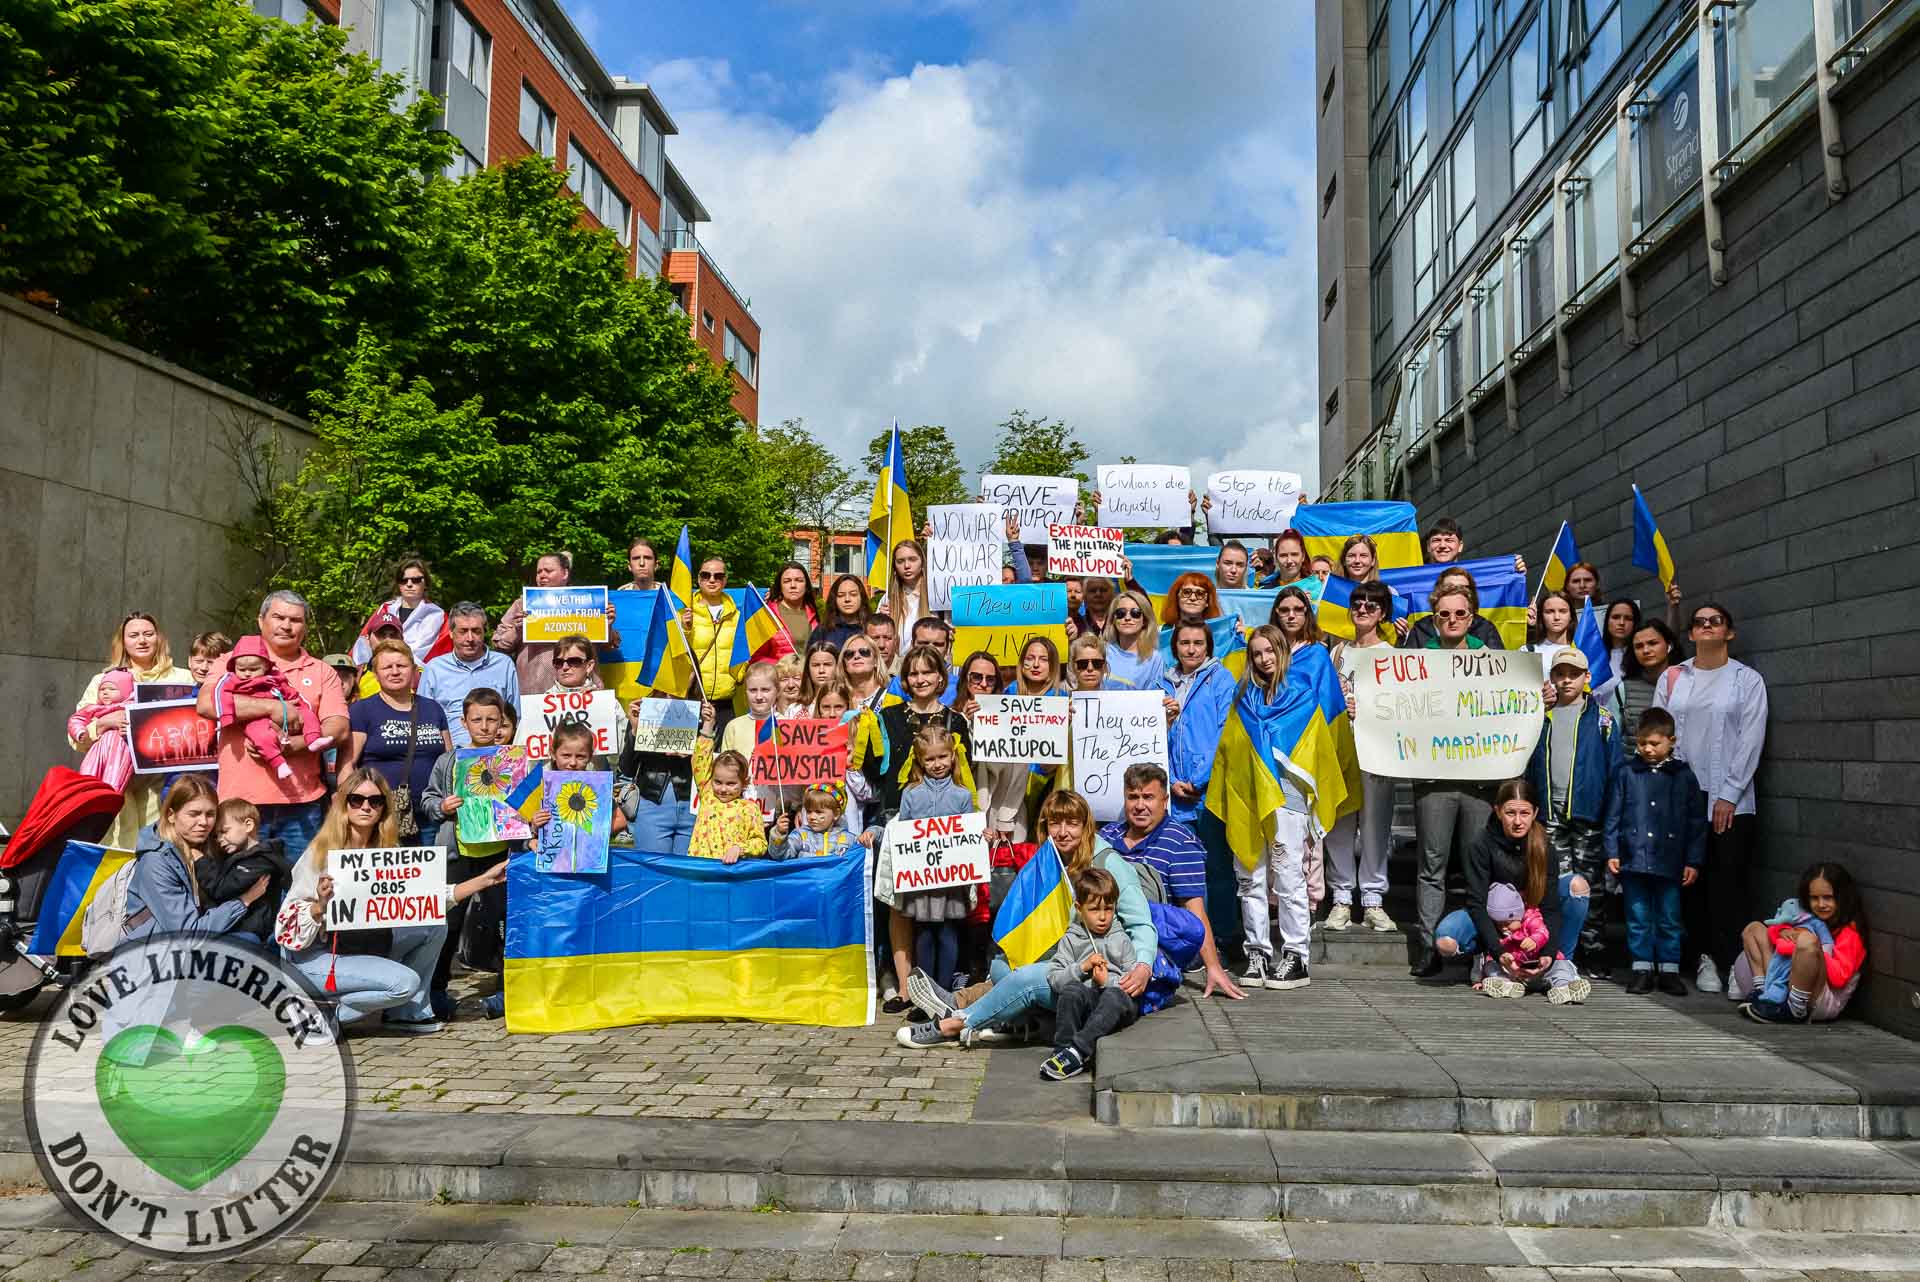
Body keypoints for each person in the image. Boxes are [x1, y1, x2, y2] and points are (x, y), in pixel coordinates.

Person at [897, 789, 1157, 1049]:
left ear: (1086, 826)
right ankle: (1004, 1020)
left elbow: (1141, 923)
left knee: (1025, 979)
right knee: (1001, 967)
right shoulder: (1050, 859)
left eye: (1072, 823)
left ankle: (954, 1023)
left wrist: (1143, 966)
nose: (1063, 832)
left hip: (1096, 973)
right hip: (1063, 960)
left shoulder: (1107, 862)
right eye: (1055, 823)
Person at [275, 768, 504, 1035]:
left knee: (434, 926)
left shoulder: (388, 852)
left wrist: (485, 880)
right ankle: (325, 1013)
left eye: (375, 801)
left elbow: (426, 900)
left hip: (362, 947)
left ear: (384, 807)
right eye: (356, 800)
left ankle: (407, 1013)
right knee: (404, 983)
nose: (365, 807)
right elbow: (284, 928)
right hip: (314, 958)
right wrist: (319, 906)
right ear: (343, 804)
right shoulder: (320, 853)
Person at [1654, 602, 1768, 995]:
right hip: (1682, 796)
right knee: (1691, 884)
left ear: (1728, 632)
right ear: (1690, 634)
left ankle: (1733, 963)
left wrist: (1730, 794)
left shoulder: (1746, 680)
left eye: (1715, 621)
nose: (1706, 627)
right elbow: (1658, 732)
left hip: (1729, 799)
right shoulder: (1673, 677)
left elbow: (1752, 739)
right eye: (1699, 622)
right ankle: (1702, 958)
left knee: (1728, 883)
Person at [197, 591, 350, 855]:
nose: (287, 625)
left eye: (295, 620)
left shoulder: (321, 670)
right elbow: (207, 704)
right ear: (261, 621)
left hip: (302, 804)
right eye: (278, 617)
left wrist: (295, 745)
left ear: (305, 627)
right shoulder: (232, 662)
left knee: (297, 889)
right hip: (239, 805)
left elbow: (339, 727)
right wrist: (274, 707)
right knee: (240, 889)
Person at [1408, 584, 1502, 975]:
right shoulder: (1415, 660)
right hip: (1434, 779)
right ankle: (1430, 947)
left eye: (1459, 613)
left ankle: (1480, 946)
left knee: (1478, 865)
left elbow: (1510, 705)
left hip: (1479, 780)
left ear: (1472, 615)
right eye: (1443, 614)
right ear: (1433, 618)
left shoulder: (1492, 658)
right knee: (1432, 865)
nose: (1451, 621)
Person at [1432, 779, 1592, 1004]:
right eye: (1510, 813)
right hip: (1494, 920)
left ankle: (1560, 965)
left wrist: (1548, 951)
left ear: (1535, 812)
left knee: (1577, 886)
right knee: (1445, 942)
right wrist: (1499, 951)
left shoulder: (1544, 845)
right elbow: (1476, 904)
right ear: (1497, 811)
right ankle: (1489, 962)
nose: (1518, 821)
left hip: (1534, 922)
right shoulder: (1481, 844)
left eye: (1525, 813)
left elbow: (1551, 907)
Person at [1101, 764, 1244, 999]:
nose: (1139, 806)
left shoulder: (1180, 843)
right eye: (1132, 797)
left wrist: (1214, 967)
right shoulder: (1106, 836)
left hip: (1152, 939)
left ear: (1164, 801)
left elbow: (1195, 911)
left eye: (1148, 797)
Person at [1231, 625, 1316, 991]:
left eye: (1269, 651)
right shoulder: (1244, 696)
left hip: (1287, 798)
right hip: (1249, 797)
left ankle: (1296, 955)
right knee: (1250, 877)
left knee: (1287, 877)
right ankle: (1258, 952)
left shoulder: (1300, 693)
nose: (1263, 659)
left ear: (1282, 651)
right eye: (1256, 653)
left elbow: (1307, 747)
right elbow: (1233, 747)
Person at [421, 688, 515, 1014]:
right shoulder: (448, 761)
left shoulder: (512, 760)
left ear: (502, 722)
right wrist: (442, 806)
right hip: (457, 851)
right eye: (477, 719)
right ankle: (435, 991)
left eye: (492, 719)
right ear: (464, 721)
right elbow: (427, 800)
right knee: (449, 921)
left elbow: (529, 802)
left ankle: (507, 989)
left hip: (501, 852)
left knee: (503, 921)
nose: (485, 726)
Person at [1528, 646, 1616, 979]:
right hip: (1550, 814)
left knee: (1591, 885)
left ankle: (1593, 950)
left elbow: (1615, 770)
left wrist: (1609, 816)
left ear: (1587, 678)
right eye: (1560, 674)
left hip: (1588, 814)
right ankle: (1559, 949)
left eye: (1573, 675)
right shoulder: (1540, 716)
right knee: (1556, 884)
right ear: (1551, 678)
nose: (1566, 681)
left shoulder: (1603, 719)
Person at [71, 613, 196, 848]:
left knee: (159, 853)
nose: (142, 641)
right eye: (134, 635)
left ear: (159, 638)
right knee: (116, 854)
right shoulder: (103, 680)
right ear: (123, 642)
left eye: (148, 634)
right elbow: (76, 736)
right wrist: (105, 722)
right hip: (115, 785)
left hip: (162, 785)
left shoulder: (184, 678)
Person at [1605, 707, 1705, 996]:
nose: (1647, 749)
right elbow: (1613, 814)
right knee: (1638, 915)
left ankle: (1669, 969)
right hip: (1634, 858)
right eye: (1642, 743)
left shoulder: (1683, 775)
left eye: (1654, 743)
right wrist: (1612, 851)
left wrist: (1693, 860)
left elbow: (1696, 821)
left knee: (1669, 916)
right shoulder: (1626, 772)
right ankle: (1642, 967)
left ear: (1671, 741)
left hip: (1670, 859)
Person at [1158, 620, 1242, 964]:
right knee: (1182, 872)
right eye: (1184, 642)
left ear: (1208, 646)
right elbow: (1151, 732)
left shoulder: (1221, 679)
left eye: (1197, 643)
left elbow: (1226, 731)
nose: (1191, 649)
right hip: (1174, 793)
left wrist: (1199, 779)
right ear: (1174, 646)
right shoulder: (1160, 682)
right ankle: (1191, 941)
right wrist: (1173, 779)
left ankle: (1224, 935)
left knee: (1217, 868)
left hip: (1209, 792)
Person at [1323, 580, 1397, 933]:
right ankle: (1340, 896)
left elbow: (1401, 705)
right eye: (1357, 604)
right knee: (1339, 823)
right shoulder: (1337, 652)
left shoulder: (1392, 654)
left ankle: (1372, 898)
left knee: (1375, 824)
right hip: (1341, 748)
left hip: (1378, 750)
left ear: (1382, 613)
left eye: (1371, 605)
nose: (1363, 610)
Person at [123, 775, 270, 941]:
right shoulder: (156, 862)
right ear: (171, 815)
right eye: (194, 814)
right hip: (157, 955)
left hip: (196, 943)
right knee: (248, 942)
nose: (204, 822)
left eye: (210, 814)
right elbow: (188, 933)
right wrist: (243, 902)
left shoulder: (212, 846)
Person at [895, 722, 976, 992]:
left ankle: (943, 992)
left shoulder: (962, 795)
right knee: (925, 933)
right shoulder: (911, 794)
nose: (937, 763)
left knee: (948, 932)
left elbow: (967, 835)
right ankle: (925, 993)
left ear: (952, 756)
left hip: (951, 881)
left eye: (942, 756)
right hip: (922, 879)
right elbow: (904, 833)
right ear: (920, 760)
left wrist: (981, 836)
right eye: (930, 759)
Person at [1731, 862, 1866, 1024]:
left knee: (1807, 942)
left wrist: (1813, 947)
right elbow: (1776, 936)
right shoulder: (1807, 918)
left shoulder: (1849, 934)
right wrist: (1783, 932)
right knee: (1754, 929)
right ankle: (1763, 991)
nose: (1821, 904)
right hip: (1788, 982)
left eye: (1828, 898)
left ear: (1842, 898)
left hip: (1820, 1000)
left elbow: (1839, 978)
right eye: (1814, 898)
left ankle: (1795, 1009)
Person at [342, 639, 450, 836]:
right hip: (382, 816)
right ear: (375, 674)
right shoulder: (362, 710)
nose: (395, 672)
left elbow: (449, 760)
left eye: (401, 666)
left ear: (414, 670)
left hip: (433, 814)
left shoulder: (432, 708)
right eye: (387, 667)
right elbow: (348, 765)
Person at [1040, 865, 1138, 1081]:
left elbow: (1133, 982)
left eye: (1109, 909)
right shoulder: (1071, 939)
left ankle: (1077, 1052)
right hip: (1089, 1002)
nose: (1103, 917)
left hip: (1117, 1006)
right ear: (1079, 908)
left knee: (1113, 995)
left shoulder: (1121, 939)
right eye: (1094, 910)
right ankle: (1062, 1050)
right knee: (1072, 990)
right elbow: (1055, 979)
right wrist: (1082, 968)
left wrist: (1108, 982)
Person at [493, 552, 618, 695]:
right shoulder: (523, 605)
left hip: (583, 693)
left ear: (565, 573)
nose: (542, 575)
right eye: (539, 571)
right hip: (535, 692)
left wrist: (607, 625)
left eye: (548, 571)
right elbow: (500, 644)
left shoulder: (589, 601)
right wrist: (517, 629)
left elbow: (610, 646)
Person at [419, 603, 521, 749]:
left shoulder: (504, 665)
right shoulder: (434, 669)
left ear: (484, 632)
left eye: (476, 631)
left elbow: (515, 716)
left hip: (496, 754)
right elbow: (425, 721)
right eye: (463, 631)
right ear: (451, 633)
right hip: (450, 754)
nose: (470, 638)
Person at [196, 799, 291, 943]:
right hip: (232, 928)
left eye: (224, 831)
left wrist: (200, 861)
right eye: (216, 836)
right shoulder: (234, 857)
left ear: (248, 825)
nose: (220, 839)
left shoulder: (261, 861)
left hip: (249, 933)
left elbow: (222, 889)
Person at [689, 702, 766, 863]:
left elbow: (760, 843)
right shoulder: (708, 794)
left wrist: (740, 848)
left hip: (730, 874)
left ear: (744, 783)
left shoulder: (749, 809)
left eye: (731, 784)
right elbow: (700, 760)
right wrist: (708, 726)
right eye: (718, 782)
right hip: (700, 869)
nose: (723, 789)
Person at [350, 559, 449, 667]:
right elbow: (363, 643)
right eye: (403, 580)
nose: (409, 584)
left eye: (416, 580)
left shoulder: (438, 616)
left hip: (421, 677)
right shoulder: (385, 609)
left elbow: (444, 652)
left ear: (426, 583)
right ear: (398, 584)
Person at [1611, 619, 1685, 753]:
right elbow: (1611, 739)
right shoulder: (1624, 689)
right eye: (1638, 646)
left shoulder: (1689, 683)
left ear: (1669, 645)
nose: (1646, 650)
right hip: (1635, 770)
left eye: (1652, 643)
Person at [682, 556, 742, 713]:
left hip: (726, 702)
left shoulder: (738, 617)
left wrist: (739, 677)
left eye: (718, 576)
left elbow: (744, 654)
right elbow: (677, 655)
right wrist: (685, 629)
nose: (712, 580)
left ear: (725, 580)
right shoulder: (684, 614)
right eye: (706, 575)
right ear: (699, 579)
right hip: (692, 699)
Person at [1398, 570, 1507, 649]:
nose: (1452, 620)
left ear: (1470, 619)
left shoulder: (1485, 628)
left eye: (1460, 613)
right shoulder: (1420, 629)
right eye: (1449, 587)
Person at [68, 669, 137, 790]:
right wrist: (80, 732)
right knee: (88, 772)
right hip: (98, 747)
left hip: (121, 746)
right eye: (102, 689)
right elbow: (77, 718)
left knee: (114, 776)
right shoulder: (95, 708)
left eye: (112, 689)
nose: (105, 692)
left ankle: (109, 796)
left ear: (126, 692)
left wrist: (132, 729)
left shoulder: (132, 706)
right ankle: (86, 793)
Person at [769, 783, 872, 859]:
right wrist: (779, 834)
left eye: (818, 812)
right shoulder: (800, 836)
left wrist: (870, 833)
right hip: (808, 886)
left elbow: (879, 839)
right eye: (809, 811)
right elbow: (780, 855)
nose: (812, 817)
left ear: (836, 814)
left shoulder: (847, 838)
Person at [1486, 882, 1553, 978]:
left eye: (1507, 923)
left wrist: (1534, 939)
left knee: (1558, 964)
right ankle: (1503, 983)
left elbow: (1542, 931)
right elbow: (1492, 952)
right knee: (1490, 965)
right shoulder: (1500, 935)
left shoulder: (1531, 919)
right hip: (1514, 970)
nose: (1503, 928)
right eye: (1499, 924)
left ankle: (1563, 983)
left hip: (1536, 966)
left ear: (1519, 915)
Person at [1102, 590, 1165, 691]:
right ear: (1113, 619)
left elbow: (1154, 699)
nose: (1127, 618)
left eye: (1135, 613)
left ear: (1145, 620)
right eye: (1120, 613)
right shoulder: (1101, 651)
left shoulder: (1154, 658)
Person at [763, 562, 820, 659]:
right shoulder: (767, 614)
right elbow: (757, 657)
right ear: (780, 587)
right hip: (780, 673)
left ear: (806, 586)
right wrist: (782, 669)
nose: (793, 585)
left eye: (799, 580)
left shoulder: (815, 614)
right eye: (787, 581)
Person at [881, 540, 931, 639]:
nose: (907, 566)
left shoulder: (935, 595)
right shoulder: (888, 598)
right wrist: (881, 620)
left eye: (912, 559)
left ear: (922, 562)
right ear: (894, 567)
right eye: (900, 561)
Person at [820, 574, 873, 649]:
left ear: (861, 597)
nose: (847, 599)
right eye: (841, 595)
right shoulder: (823, 631)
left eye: (853, 594)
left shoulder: (871, 628)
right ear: (834, 599)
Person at [798, 639, 844, 708]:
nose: (821, 670)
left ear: (837, 667)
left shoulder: (850, 705)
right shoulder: (795, 710)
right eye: (816, 665)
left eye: (827, 664)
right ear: (808, 669)